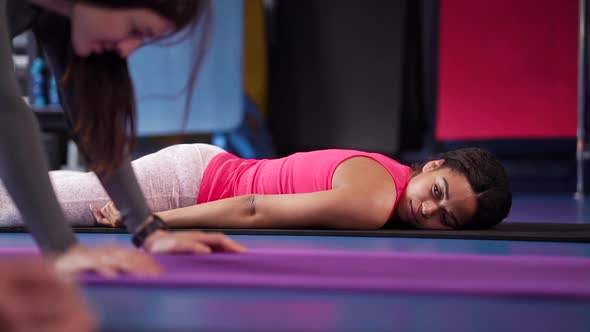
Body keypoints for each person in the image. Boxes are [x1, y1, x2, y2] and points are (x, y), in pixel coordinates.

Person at [1, 0, 246, 278]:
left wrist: (149, 230)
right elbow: (6, 110)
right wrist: (62, 249)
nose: (127, 49)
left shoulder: (63, 13)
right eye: (135, 29)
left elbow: (92, 114)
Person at [0, 143, 512, 230]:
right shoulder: (377, 199)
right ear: (434, 166)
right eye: (439, 193)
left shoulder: (394, 173)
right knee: (24, 203)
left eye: (446, 218)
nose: (428, 211)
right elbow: (251, 209)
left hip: (203, 170)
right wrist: (150, 220)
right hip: (189, 187)